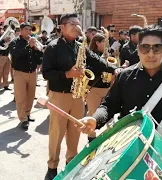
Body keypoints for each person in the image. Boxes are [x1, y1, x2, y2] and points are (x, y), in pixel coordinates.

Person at [42, 14, 118, 180]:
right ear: (62, 27)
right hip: (59, 95)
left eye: (78, 24)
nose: (77, 27)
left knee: (75, 132)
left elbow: (97, 60)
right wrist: (68, 74)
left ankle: (71, 162)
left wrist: (114, 69)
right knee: (57, 133)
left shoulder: (79, 45)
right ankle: (52, 166)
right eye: (72, 24)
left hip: (78, 95)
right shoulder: (53, 47)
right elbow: (46, 73)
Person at [9, 23, 42, 130]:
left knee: (31, 95)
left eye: (30, 30)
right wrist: (29, 46)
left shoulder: (33, 42)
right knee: (20, 97)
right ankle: (23, 118)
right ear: (21, 30)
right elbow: (16, 54)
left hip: (32, 72)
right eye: (27, 29)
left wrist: (38, 51)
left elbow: (38, 59)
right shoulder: (15, 42)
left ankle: (27, 113)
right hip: (20, 73)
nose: (29, 32)